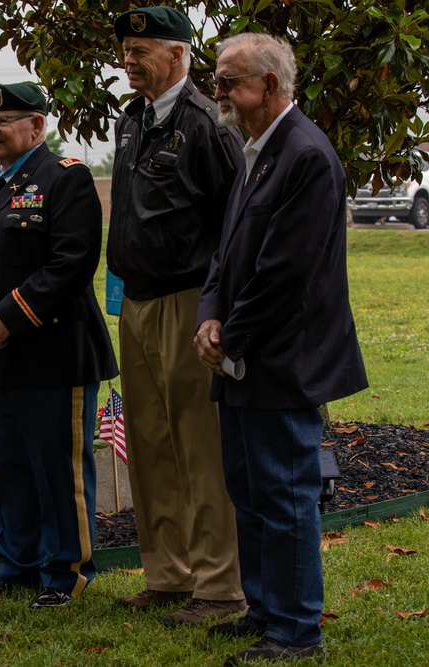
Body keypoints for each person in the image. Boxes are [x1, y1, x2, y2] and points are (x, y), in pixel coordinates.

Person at [194, 33, 367, 664]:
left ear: (269, 85)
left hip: (284, 361)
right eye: (217, 80)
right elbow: (227, 253)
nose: (219, 93)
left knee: (286, 493)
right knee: (248, 488)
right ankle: (265, 610)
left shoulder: (307, 156)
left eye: (229, 82)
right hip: (242, 357)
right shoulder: (257, 151)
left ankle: (297, 632)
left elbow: (284, 274)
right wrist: (209, 316)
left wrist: (227, 335)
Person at [0, 82, 118, 609]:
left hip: (53, 352)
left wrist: (5, 320)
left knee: (56, 469)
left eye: (4, 121)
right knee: (11, 467)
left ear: (37, 127)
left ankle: (66, 574)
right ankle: (15, 567)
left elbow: (71, 265)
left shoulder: (64, 179)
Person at [106, 6, 246, 626]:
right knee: (150, 442)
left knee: (199, 445)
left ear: (179, 55)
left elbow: (234, 226)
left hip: (190, 301)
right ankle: (167, 575)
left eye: (141, 50)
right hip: (134, 301)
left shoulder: (208, 124)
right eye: (127, 51)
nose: (129, 62)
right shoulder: (131, 120)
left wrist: (217, 313)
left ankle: (218, 588)